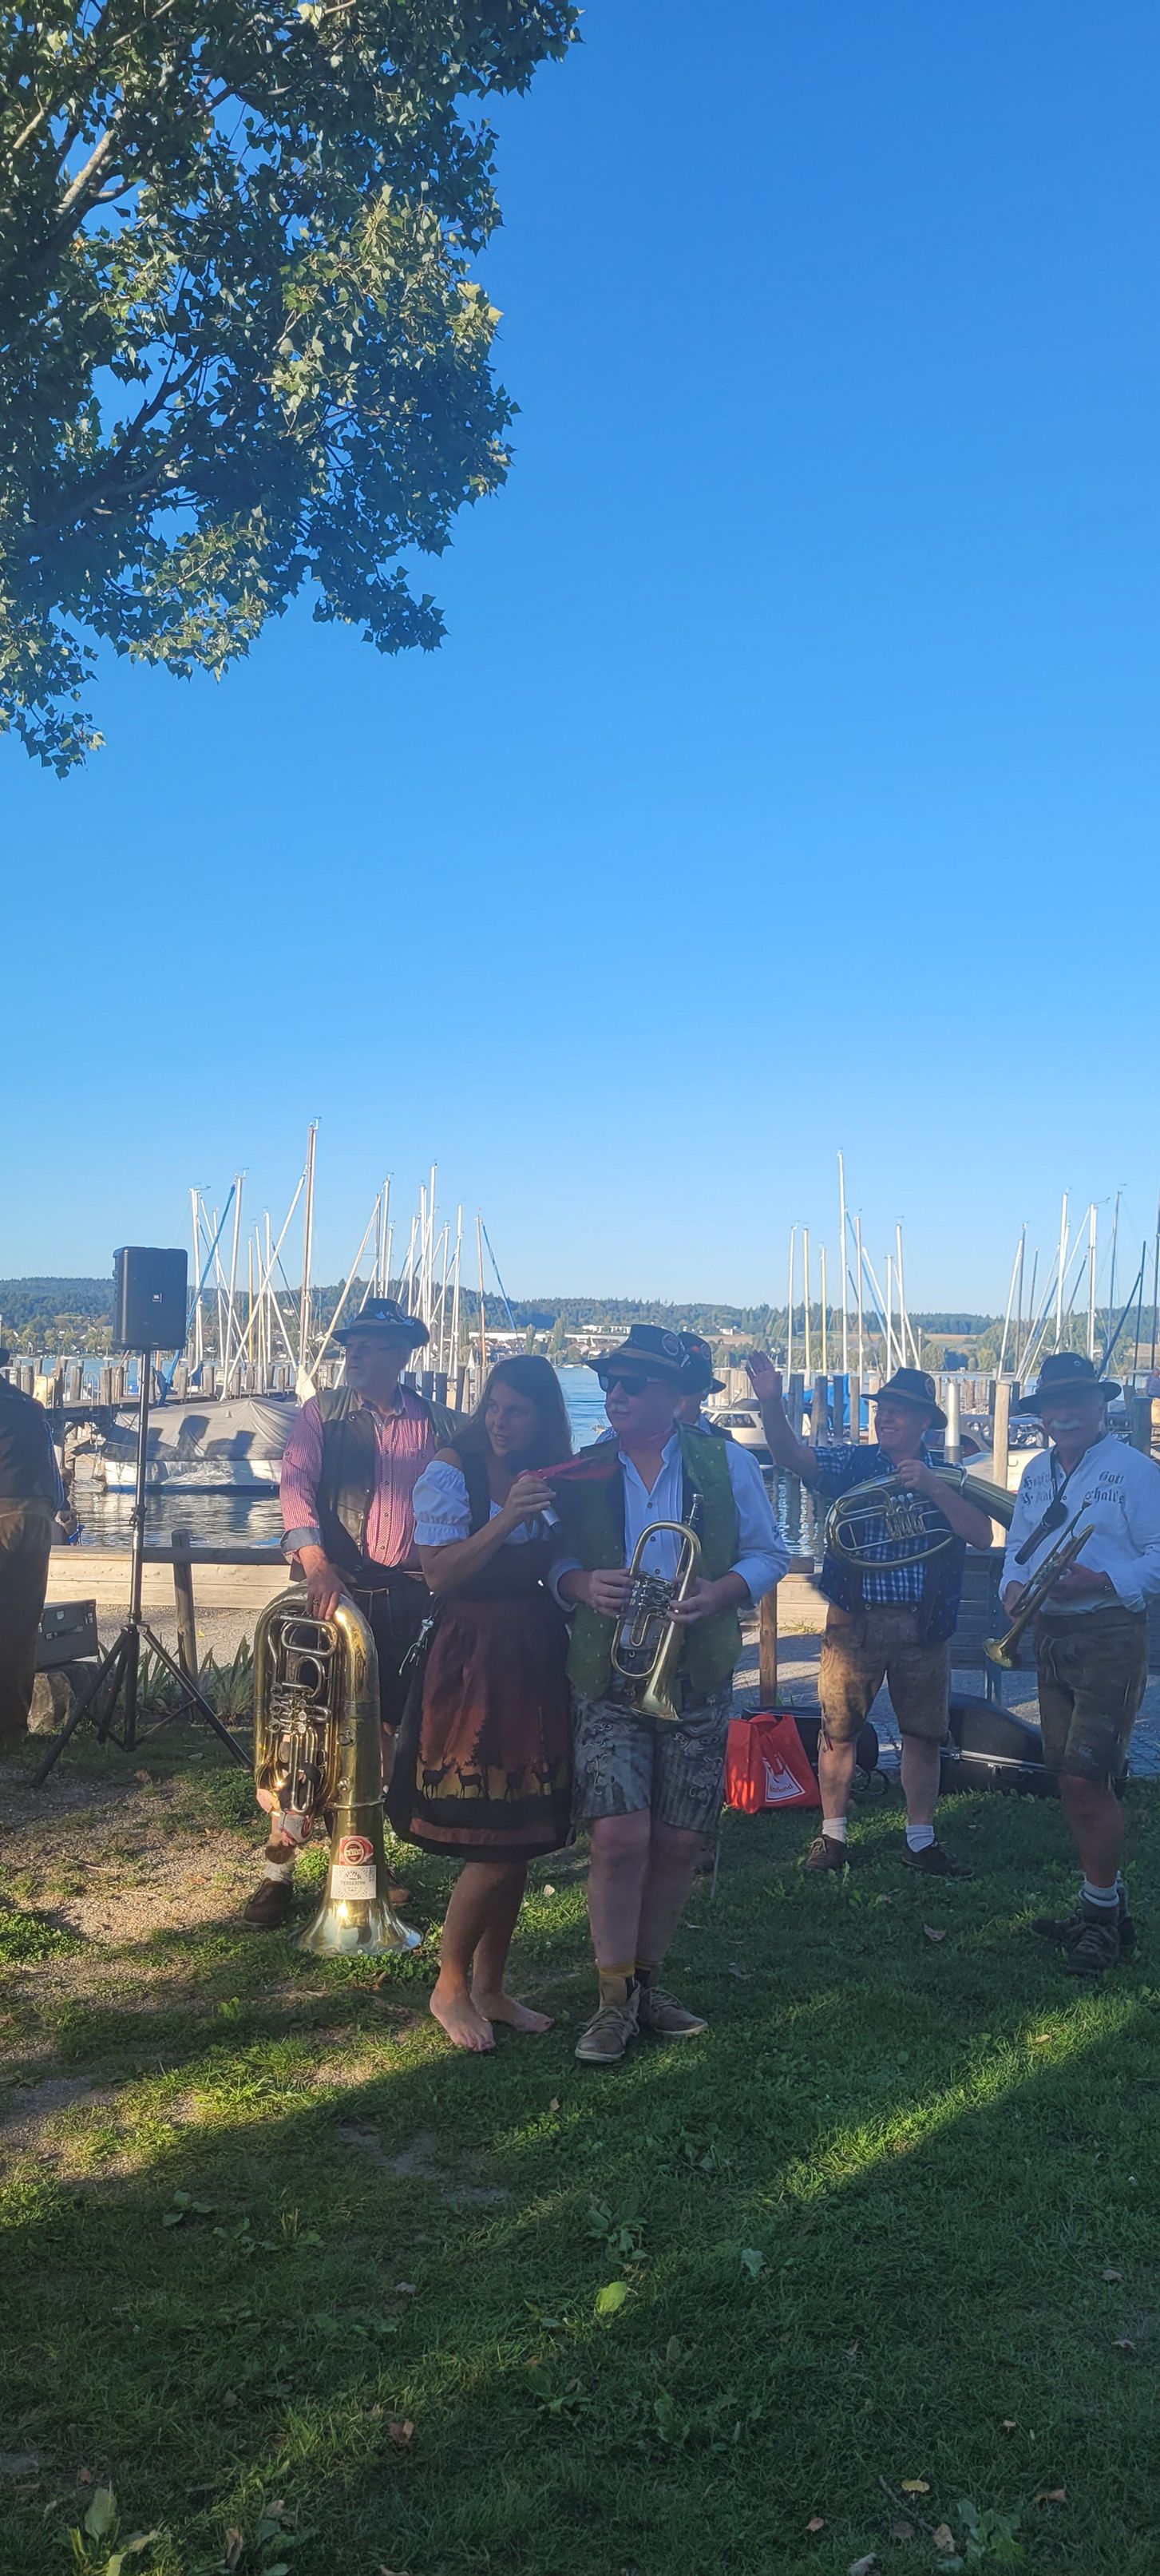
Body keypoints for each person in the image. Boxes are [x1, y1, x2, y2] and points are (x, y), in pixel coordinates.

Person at [548, 1326, 789, 2066]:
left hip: (695, 1672)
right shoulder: (585, 1467)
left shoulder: (726, 1462)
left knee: (681, 1839)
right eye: (609, 1382)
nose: (615, 1394)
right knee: (618, 1837)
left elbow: (769, 1553)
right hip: (610, 1670)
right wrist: (578, 1583)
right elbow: (549, 1559)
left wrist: (722, 1591)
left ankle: (645, 1983)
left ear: (674, 1396)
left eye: (632, 1383)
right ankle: (611, 1998)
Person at [241, 1297, 456, 1929]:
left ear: (400, 1354)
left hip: (408, 1596)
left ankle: (360, 1862)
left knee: (382, 1736)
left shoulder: (439, 1424)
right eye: (350, 1344)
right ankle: (277, 1869)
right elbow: (295, 1487)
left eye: (366, 1344)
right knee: (302, 1731)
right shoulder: (322, 1412)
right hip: (332, 1594)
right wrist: (316, 1564)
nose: (352, 1353)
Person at [748, 1356, 994, 1877]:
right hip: (853, 1623)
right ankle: (832, 1836)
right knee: (838, 1732)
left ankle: (920, 1840)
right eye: (882, 1408)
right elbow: (790, 1456)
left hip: (923, 1626)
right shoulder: (853, 1463)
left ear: (924, 1421)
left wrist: (932, 1488)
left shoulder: (948, 1476)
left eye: (897, 1410)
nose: (885, 1416)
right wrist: (770, 1401)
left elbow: (981, 1534)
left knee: (923, 1735)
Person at [389, 1356, 572, 2051]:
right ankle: (449, 1984)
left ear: (542, 1417)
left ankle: (492, 1987)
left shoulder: (549, 1470)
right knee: (492, 1840)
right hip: (472, 1658)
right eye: (493, 1406)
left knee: (521, 1835)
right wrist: (507, 1519)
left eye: (515, 1411)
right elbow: (438, 1572)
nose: (499, 1421)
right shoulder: (452, 1468)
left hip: (532, 1653)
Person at [1001, 1353, 1160, 1976]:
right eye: (1051, 1404)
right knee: (1071, 1776)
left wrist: (1102, 1578)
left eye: (1074, 1401)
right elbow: (1018, 1548)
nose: (1062, 1413)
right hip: (1051, 1635)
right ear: (1040, 1414)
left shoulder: (1135, 1471)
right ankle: (1105, 1906)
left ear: (1100, 1406)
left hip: (1108, 1635)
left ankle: (1099, 1921)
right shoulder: (1035, 1472)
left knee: (1083, 1779)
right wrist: (1011, 1589)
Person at [0, 1353, 65, 1742]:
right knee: (20, 1629)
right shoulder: (29, 1407)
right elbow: (53, 1480)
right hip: (38, 1518)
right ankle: (11, 1730)